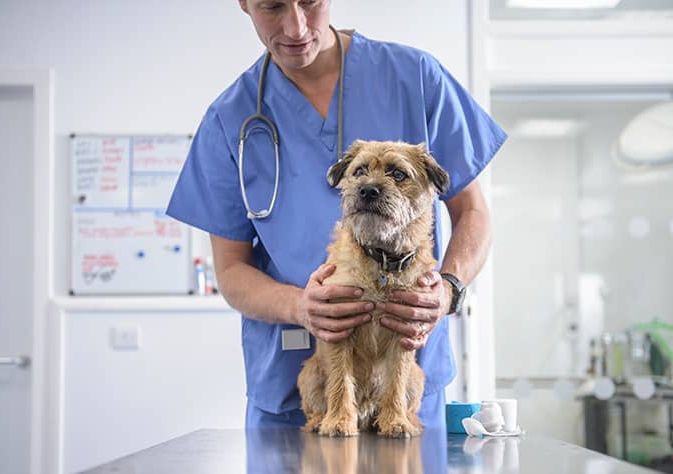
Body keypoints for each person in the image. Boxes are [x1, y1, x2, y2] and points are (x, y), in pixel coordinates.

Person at [167, 0, 506, 430]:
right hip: (294, 389)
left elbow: (472, 210)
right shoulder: (228, 119)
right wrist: (301, 307)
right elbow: (231, 270)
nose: (296, 26)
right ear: (244, 4)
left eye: (310, 2)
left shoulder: (415, 78)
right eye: (272, 7)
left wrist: (449, 288)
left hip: (403, 384)